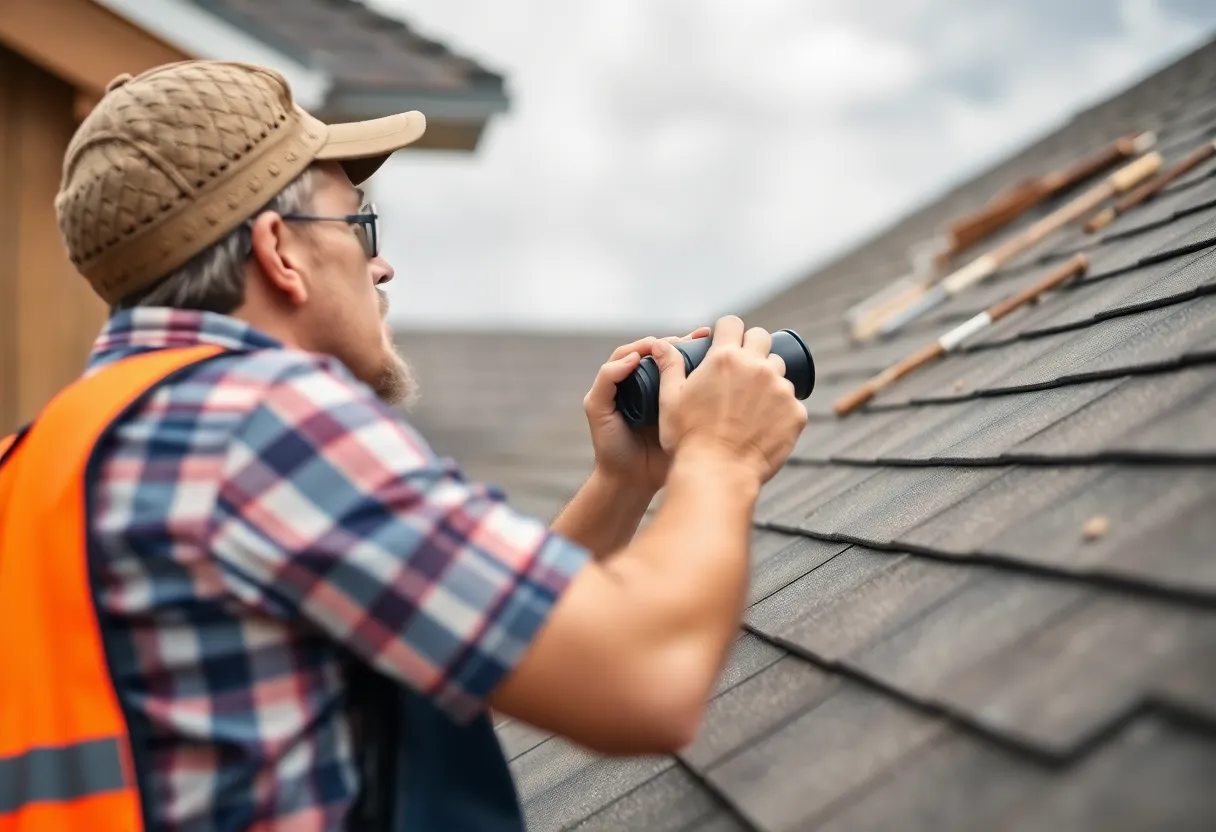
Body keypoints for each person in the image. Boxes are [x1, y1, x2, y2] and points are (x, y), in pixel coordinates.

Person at [0, 60, 808, 831]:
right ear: (279, 250)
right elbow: (644, 679)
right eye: (358, 221)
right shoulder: (264, 423)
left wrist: (623, 485)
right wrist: (722, 455)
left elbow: (443, 643)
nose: (380, 265)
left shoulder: (37, 466)